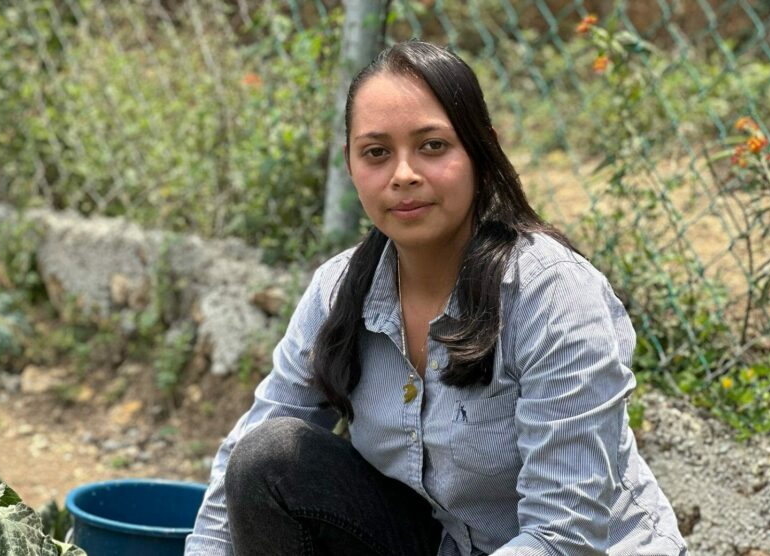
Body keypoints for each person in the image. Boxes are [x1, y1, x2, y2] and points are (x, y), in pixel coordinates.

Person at [185, 40, 687, 556]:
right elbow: (245, 460)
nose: (404, 174)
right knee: (269, 459)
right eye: (376, 152)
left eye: (432, 146)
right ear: (350, 165)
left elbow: (565, 535)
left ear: (481, 152)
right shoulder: (338, 291)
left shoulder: (552, 296)